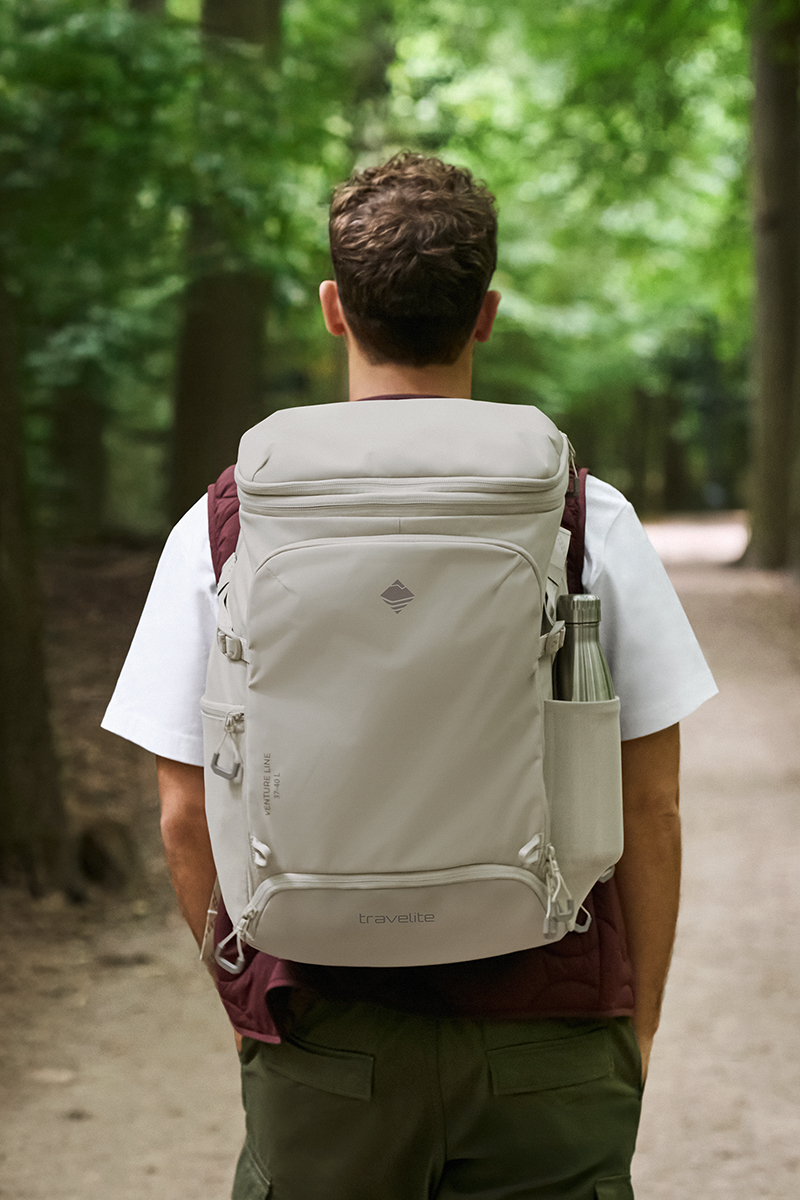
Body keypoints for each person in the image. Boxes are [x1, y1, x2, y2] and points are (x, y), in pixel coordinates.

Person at [103, 153, 717, 1200]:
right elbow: (648, 802)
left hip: (325, 1030)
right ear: (484, 314)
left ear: (334, 309)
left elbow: (179, 812)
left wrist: (254, 1007)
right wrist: (631, 1025)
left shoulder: (228, 523)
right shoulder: (582, 515)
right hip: (550, 1033)